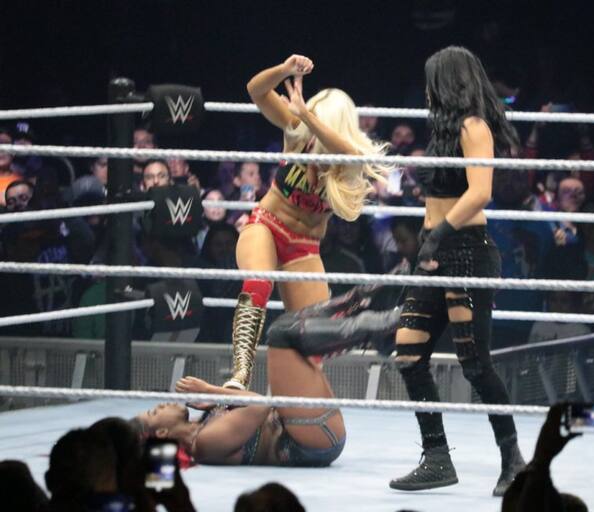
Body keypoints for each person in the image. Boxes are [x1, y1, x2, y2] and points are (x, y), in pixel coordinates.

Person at [388, 46, 525, 496]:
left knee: (475, 365)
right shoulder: (443, 132)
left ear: (447, 83)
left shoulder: (473, 126)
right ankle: (437, 458)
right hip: (435, 251)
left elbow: (481, 192)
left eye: (432, 82)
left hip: (466, 250)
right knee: (408, 353)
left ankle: (513, 460)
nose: (426, 91)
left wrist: (439, 232)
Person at [222, 54, 388, 391]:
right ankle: (239, 376)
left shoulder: (346, 158)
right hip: (267, 225)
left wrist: (308, 117)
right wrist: (284, 70)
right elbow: (255, 90)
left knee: (312, 335)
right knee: (258, 284)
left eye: (318, 119)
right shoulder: (297, 132)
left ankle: (291, 403)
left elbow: (352, 156)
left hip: (304, 247)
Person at [137, 279, 402, 468]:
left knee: (285, 326)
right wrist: (212, 392)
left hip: (305, 425)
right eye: (153, 413)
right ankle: (371, 326)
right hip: (310, 442)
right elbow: (259, 406)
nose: (160, 405)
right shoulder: (204, 443)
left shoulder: (201, 422)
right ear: (162, 433)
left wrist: (215, 399)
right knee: (280, 336)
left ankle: (359, 301)